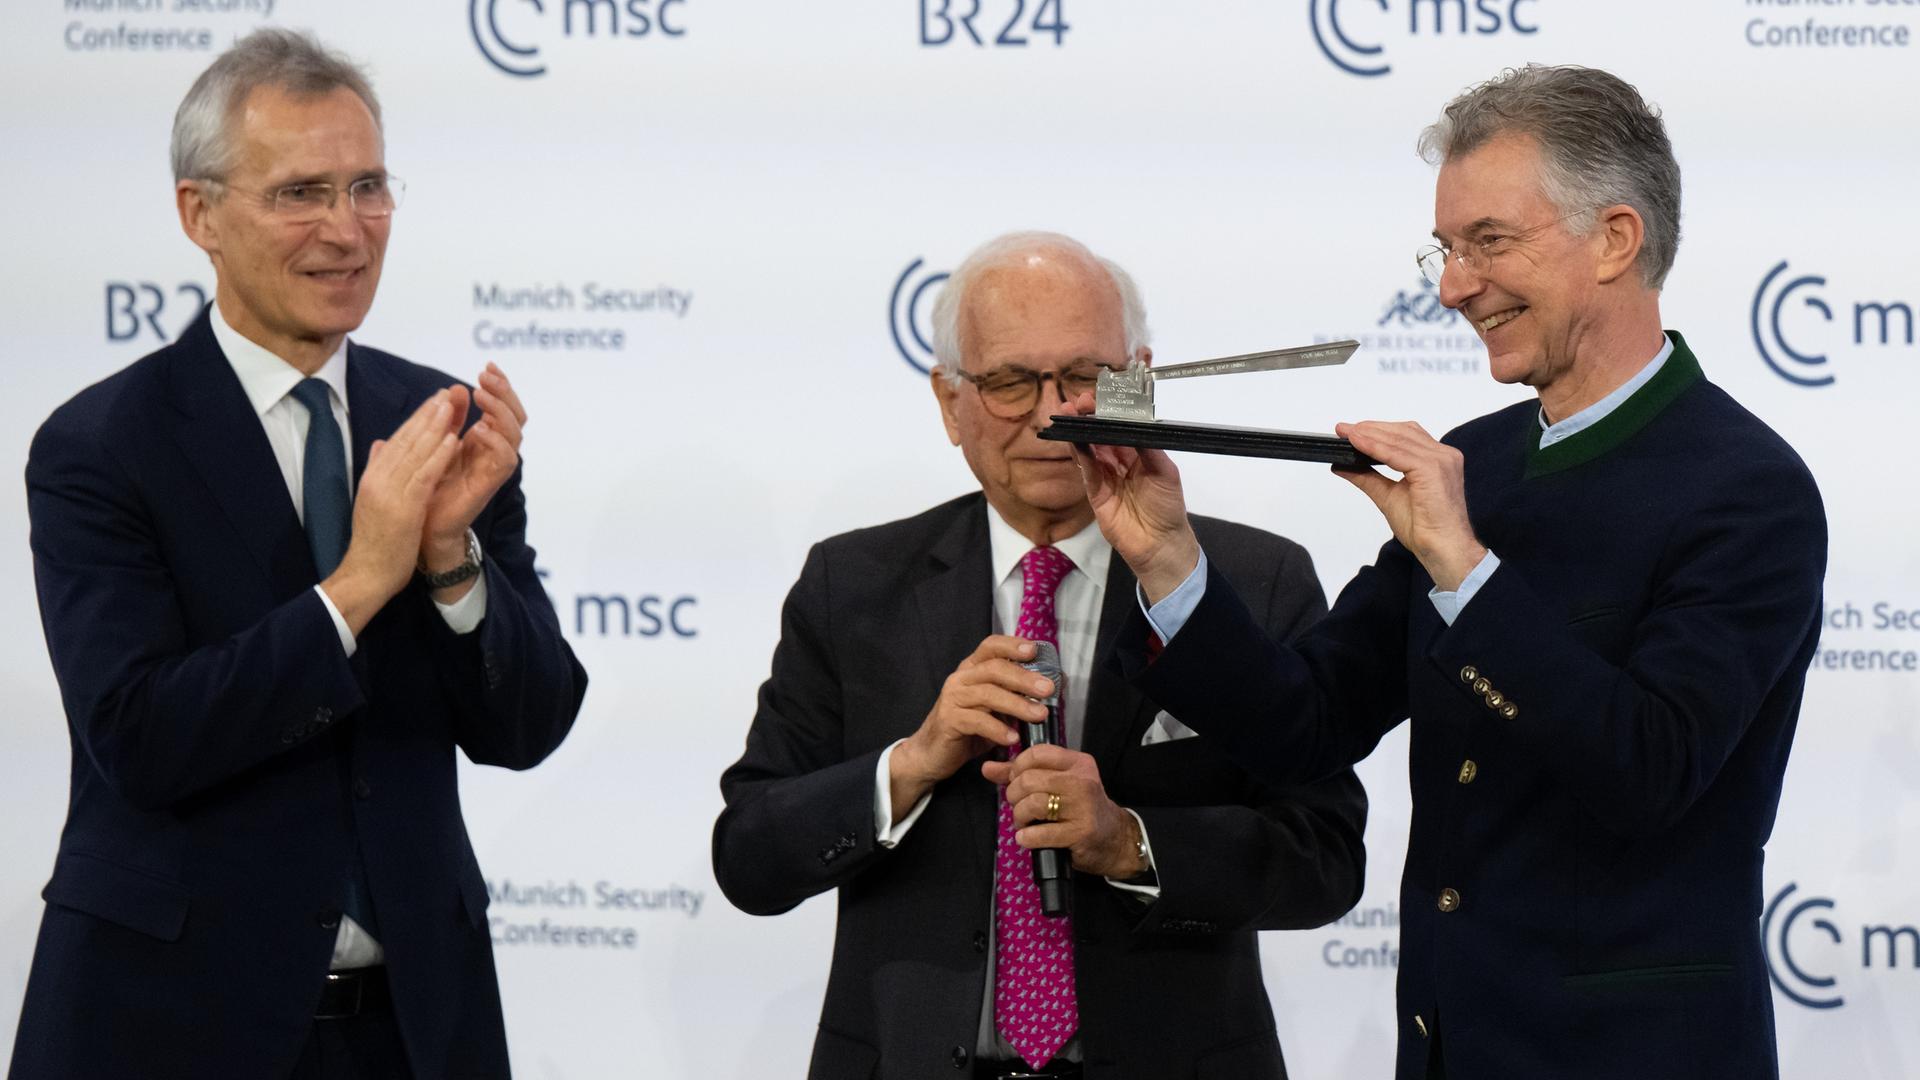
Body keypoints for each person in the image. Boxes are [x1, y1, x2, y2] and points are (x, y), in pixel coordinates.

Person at [1061, 66, 1827, 1080]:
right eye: (1447, 249)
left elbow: (1649, 769)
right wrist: (1167, 559)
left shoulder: (1748, 489)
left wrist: (1464, 568)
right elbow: (1310, 722)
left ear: (1615, 239)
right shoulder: (1485, 460)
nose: (1453, 286)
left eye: (1489, 244)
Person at [9, 29, 586, 1080]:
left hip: (414, 1033)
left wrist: (452, 559)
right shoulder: (101, 447)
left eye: (368, 186)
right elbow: (141, 738)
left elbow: (530, 724)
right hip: (169, 1029)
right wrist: (363, 582)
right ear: (201, 215)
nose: (346, 229)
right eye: (300, 193)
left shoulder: (438, 418)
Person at [713, 231, 1366, 1079]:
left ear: (1139, 382)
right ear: (951, 403)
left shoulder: (1252, 580)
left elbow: (1327, 857)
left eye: (1085, 378)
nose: (1052, 414)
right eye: (1011, 382)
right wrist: (909, 766)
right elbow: (750, 859)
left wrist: (1130, 842)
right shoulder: (854, 586)